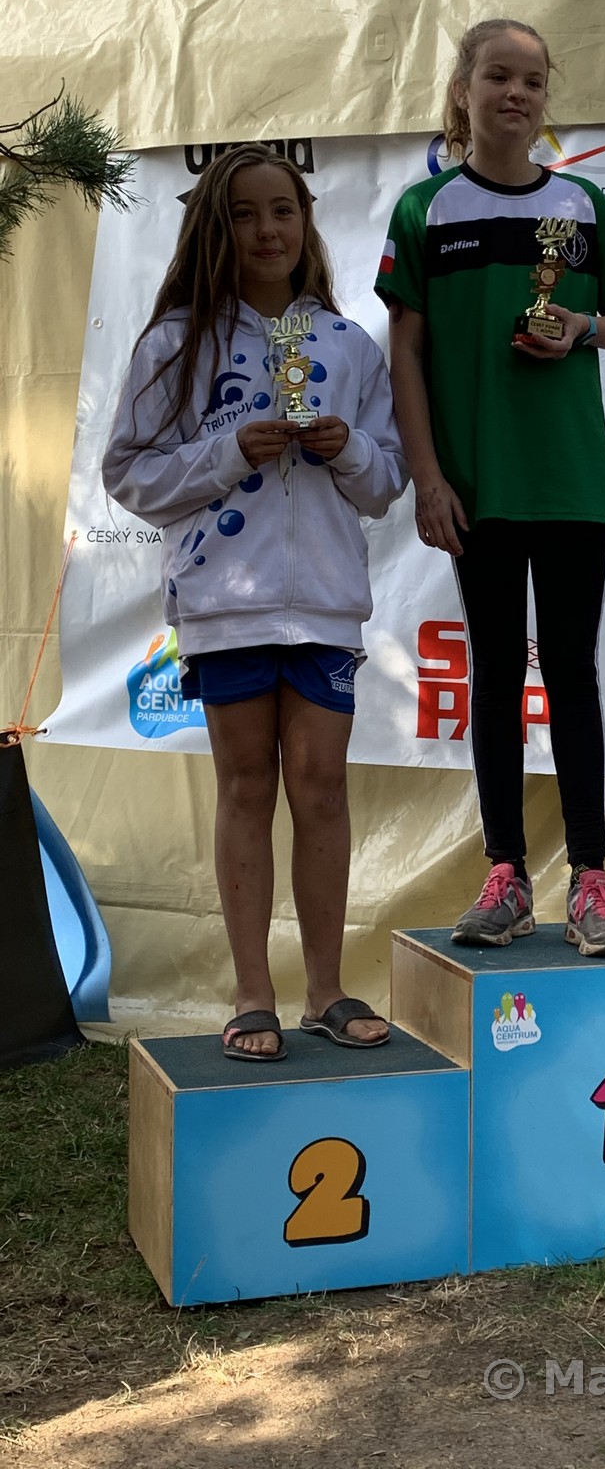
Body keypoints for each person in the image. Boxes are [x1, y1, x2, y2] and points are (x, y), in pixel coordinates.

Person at [104, 144, 407, 1061]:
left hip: (324, 606)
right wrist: (230, 451)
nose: (268, 230)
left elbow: (385, 482)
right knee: (245, 785)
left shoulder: (348, 345)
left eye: (284, 210)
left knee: (322, 789)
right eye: (244, 214)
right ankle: (250, 995)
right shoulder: (175, 342)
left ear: (306, 222)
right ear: (214, 229)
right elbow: (130, 474)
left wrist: (348, 448)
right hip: (223, 604)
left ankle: (326, 990)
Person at [376, 18, 605, 957]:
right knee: (495, 674)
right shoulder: (425, 209)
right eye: (499, 76)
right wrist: (427, 478)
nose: (517, 94)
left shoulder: (582, 205)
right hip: (477, 485)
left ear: (545, 99)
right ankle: (506, 875)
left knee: (571, 672)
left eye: (533, 81)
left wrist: (581, 326)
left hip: (569, 480)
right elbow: (405, 353)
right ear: (464, 89)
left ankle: (591, 879)